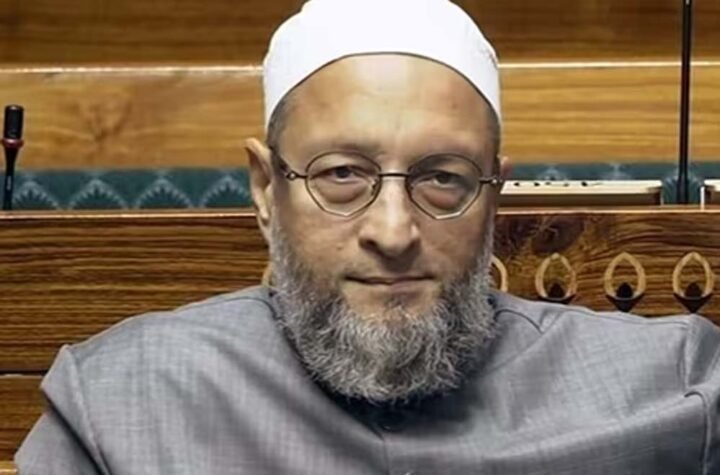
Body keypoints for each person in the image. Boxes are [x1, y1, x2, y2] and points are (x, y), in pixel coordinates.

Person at [15, 0, 720, 473]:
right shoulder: (121, 401)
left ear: (493, 192)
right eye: (342, 174)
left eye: (442, 177)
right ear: (266, 188)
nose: (393, 230)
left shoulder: (673, 385)